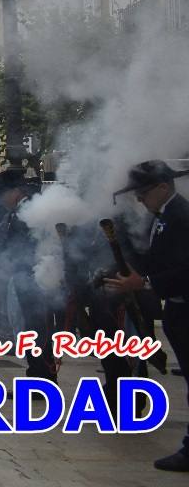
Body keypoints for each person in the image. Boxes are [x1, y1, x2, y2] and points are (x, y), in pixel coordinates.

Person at [106, 160, 189, 472]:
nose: (139, 198)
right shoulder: (163, 216)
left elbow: (183, 268)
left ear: (163, 187)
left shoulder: (180, 217)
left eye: (143, 192)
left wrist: (146, 283)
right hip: (178, 307)